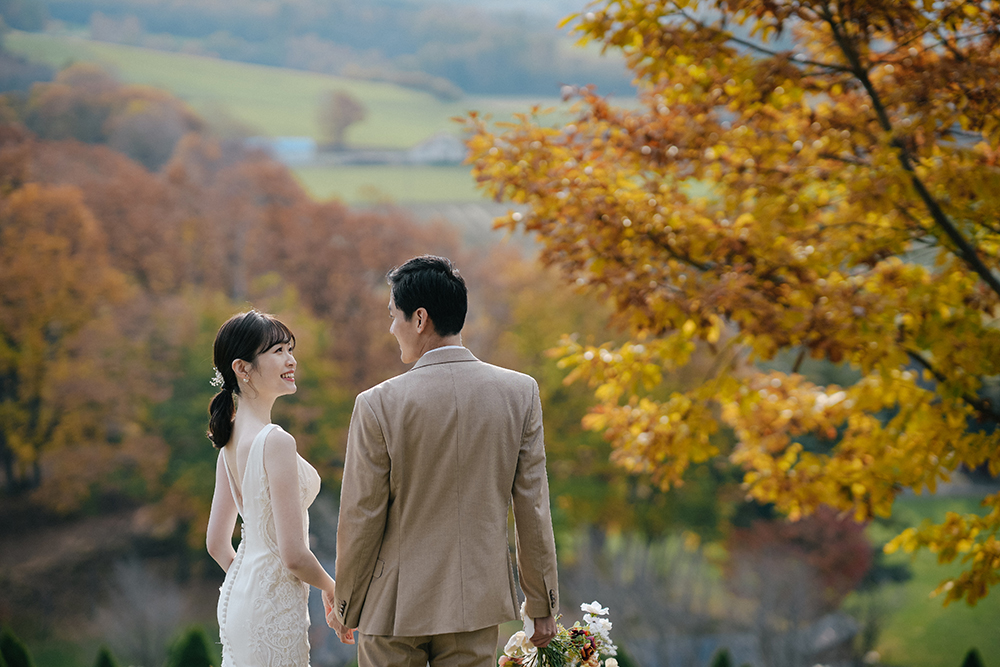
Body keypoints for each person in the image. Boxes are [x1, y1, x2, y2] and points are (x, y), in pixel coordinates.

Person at [327, 255, 559, 667]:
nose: (390, 328)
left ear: (419, 319)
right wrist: (541, 602)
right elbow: (532, 507)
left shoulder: (378, 404)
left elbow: (362, 516)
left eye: (393, 316)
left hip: (392, 608)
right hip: (476, 606)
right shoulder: (520, 393)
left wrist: (346, 605)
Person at [205, 310, 351, 666]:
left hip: (239, 602)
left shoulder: (230, 439)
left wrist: (250, 581)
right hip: (274, 610)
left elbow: (216, 543)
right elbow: (293, 555)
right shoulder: (275, 441)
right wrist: (333, 589)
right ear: (243, 368)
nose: (291, 360)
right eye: (278, 351)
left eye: (290, 349)